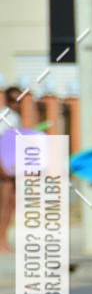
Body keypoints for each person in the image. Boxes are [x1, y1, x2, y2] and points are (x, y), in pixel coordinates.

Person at [0, 87, 22, 253]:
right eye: (14, 100)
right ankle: (1, 242)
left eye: (19, 100)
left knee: (11, 204)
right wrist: (3, 168)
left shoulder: (15, 117)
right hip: (5, 168)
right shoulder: (7, 117)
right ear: (7, 100)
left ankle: (3, 240)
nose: (17, 103)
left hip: (11, 166)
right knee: (5, 205)